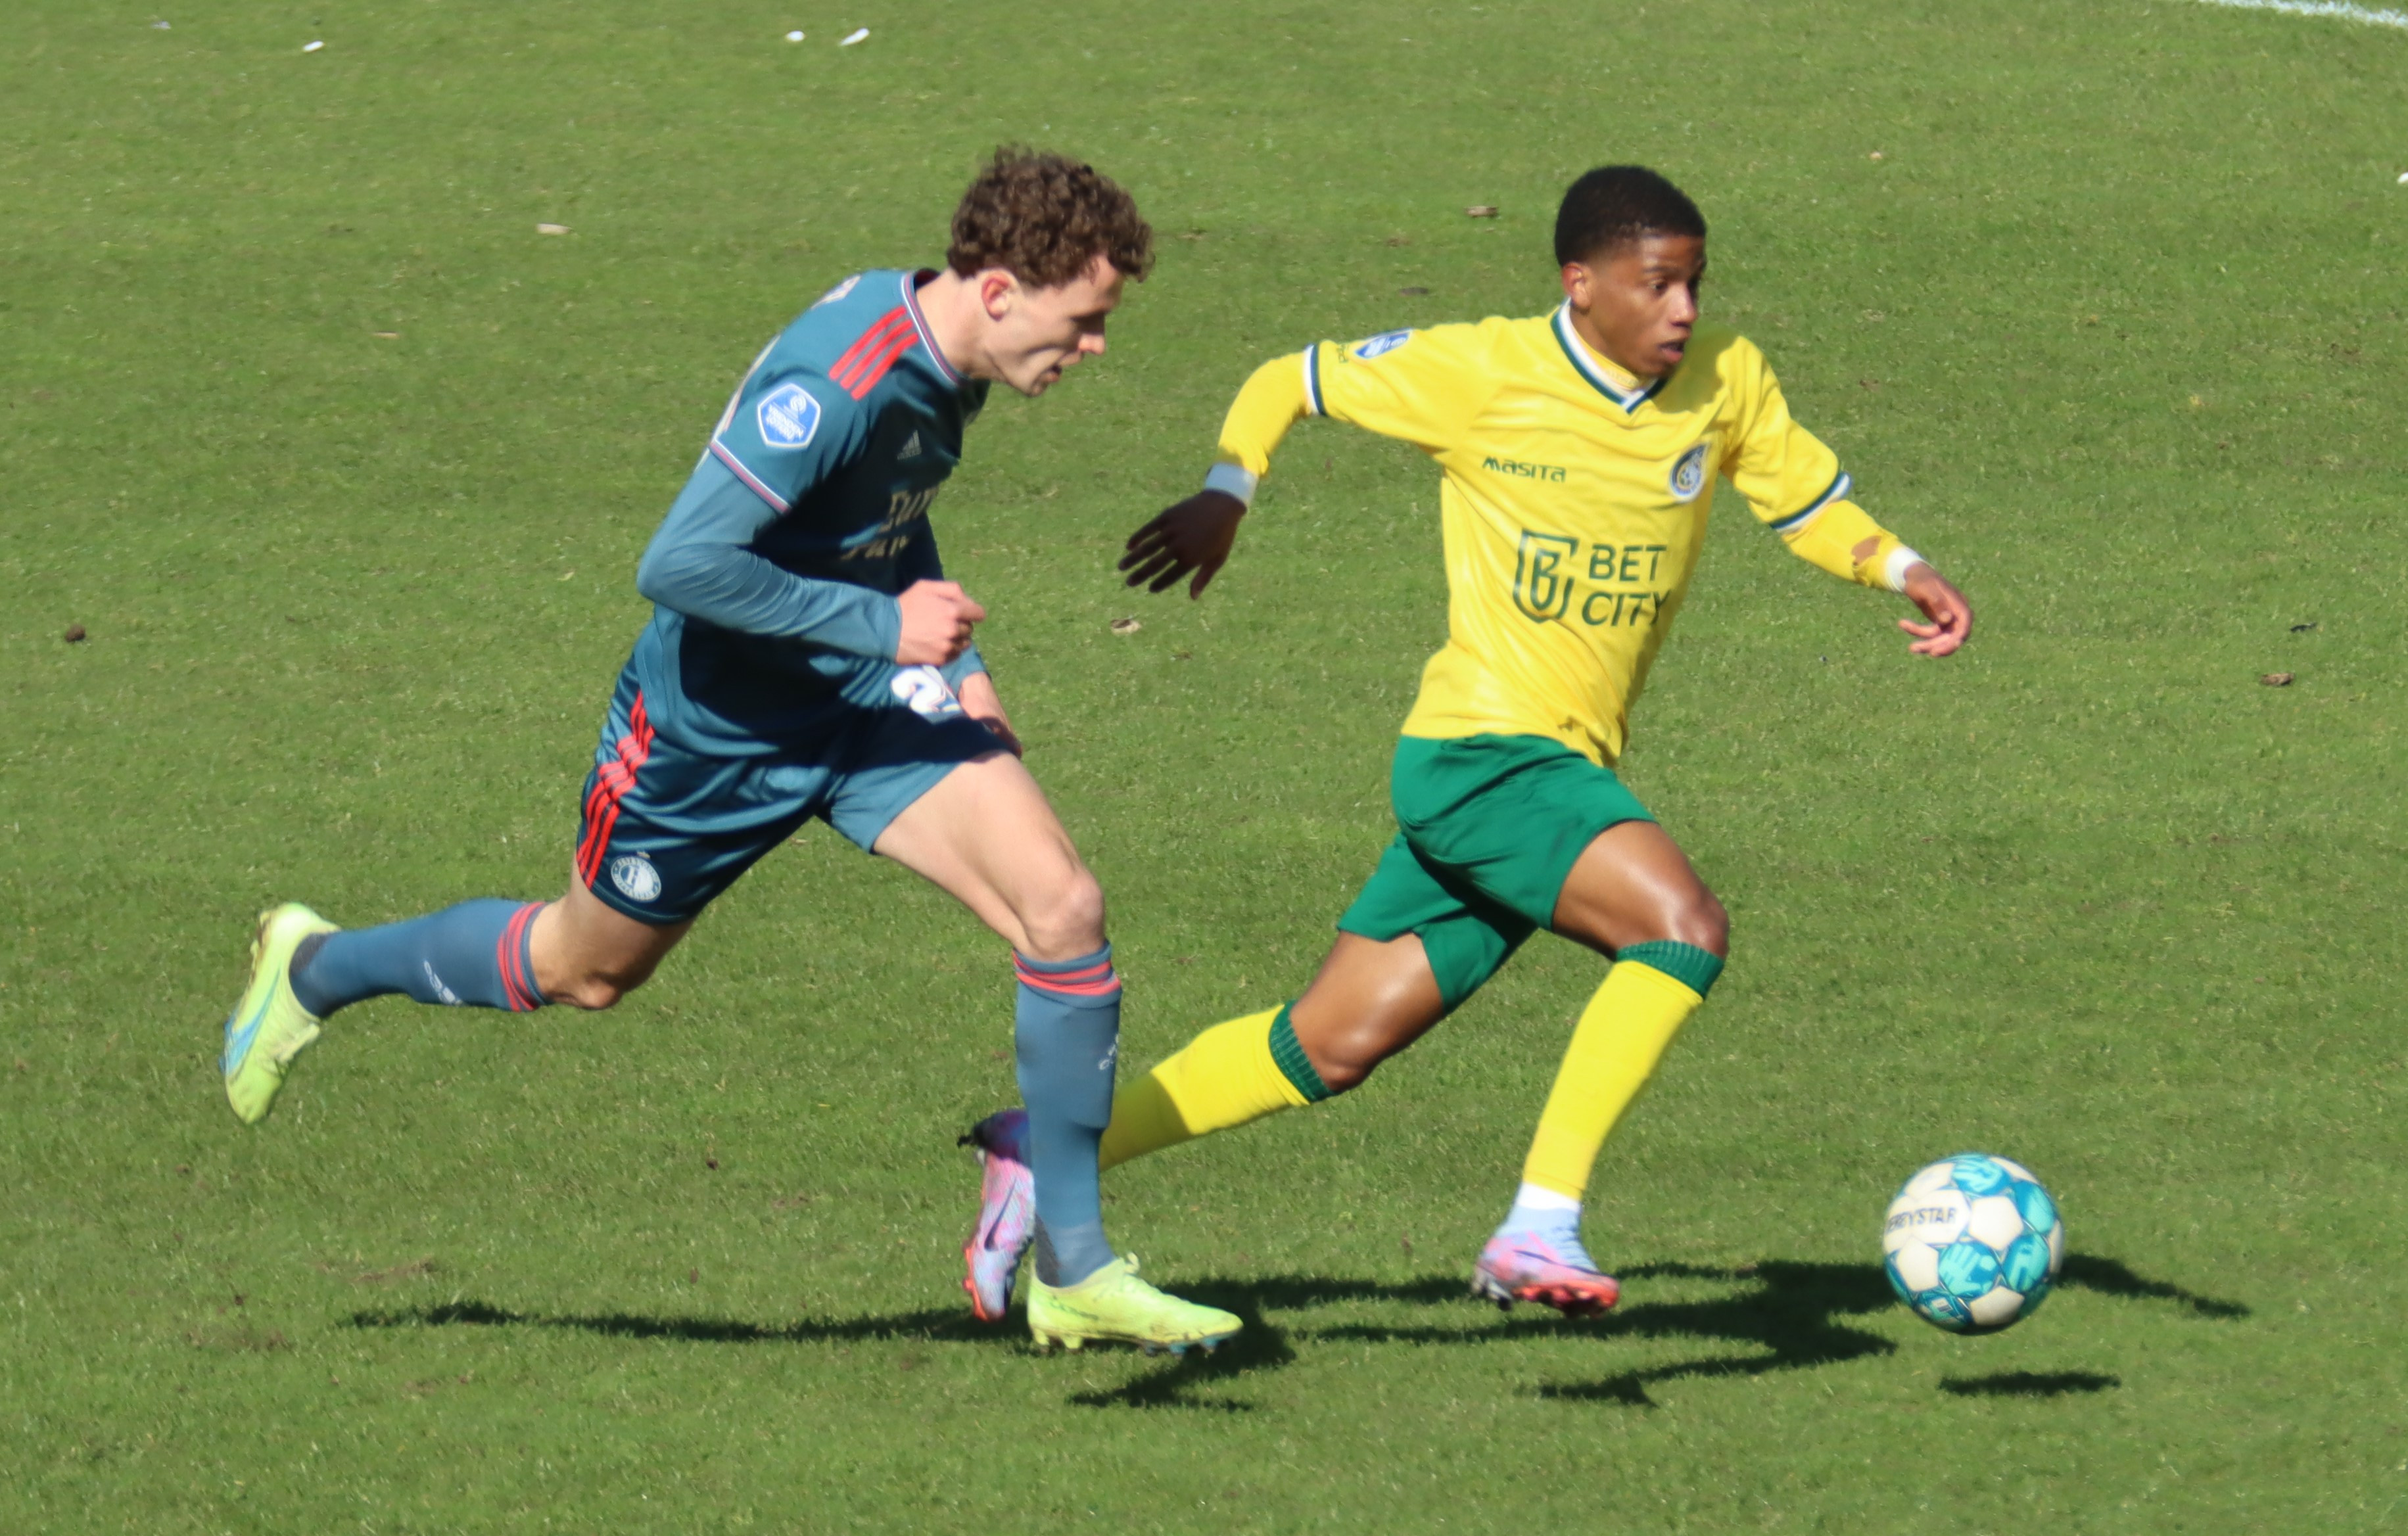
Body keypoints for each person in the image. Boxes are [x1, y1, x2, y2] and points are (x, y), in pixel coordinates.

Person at [220, 149, 1240, 1357]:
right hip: (710, 737)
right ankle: (317, 967)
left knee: (1063, 906)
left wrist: (950, 667)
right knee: (583, 969)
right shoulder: (838, 378)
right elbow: (680, 565)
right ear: (1008, 288)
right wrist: (883, 623)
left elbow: (881, 521)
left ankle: (1076, 1264)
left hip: (860, 706)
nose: (1096, 348)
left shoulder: (957, 359)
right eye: (1086, 321)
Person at [961, 164, 1971, 1320]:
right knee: (1682, 927)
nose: (1684, 310)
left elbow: (1800, 496)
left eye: (1694, 283)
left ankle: (1042, 1150)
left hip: (1542, 772)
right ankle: (1541, 1222)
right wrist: (1228, 491)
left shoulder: (1724, 380)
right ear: (1580, 284)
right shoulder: (1482, 370)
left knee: (1324, 1047)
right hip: (1485, 754)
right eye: (1658, 285)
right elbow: (1289, 377)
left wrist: (1902, 565)